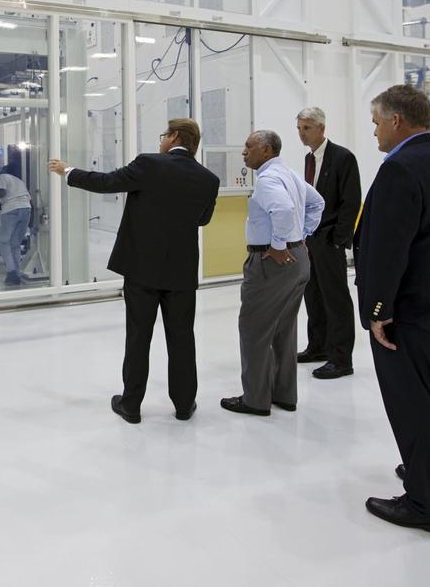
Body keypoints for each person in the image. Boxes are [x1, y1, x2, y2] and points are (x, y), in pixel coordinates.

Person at [356, 84, 430, 536]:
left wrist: (378, 309)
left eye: (375, 122)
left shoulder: (400, 168)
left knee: (414, 404)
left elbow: (388, 249)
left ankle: (426, 503)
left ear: (396, 121)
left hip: (411, 312)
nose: (374, 131)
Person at [48, 118, 219, 424]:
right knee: (182, 338)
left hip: (141, 269)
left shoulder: (149, 164)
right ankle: (183, 404)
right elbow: (203, 220)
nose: (160, 141)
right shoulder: (208, 179)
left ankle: (131, 406)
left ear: (175, 136)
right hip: (181, 272)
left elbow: (107, 183)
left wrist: (68, 172)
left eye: (163, 135)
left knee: (139, 336)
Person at [221, 130, 323, 417]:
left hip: (272, 263)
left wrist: (279, 245)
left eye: (249, 147)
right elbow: (317, 203)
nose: (244, 152)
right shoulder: (290, 174)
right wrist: (301, 235)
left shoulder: (267, 179)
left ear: (266, 150)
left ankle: (255, 399)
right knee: (283, 330)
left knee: (253, 329)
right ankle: (284, 394)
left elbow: (283, 209)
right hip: (298, 260)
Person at [294, 107, 361, 379]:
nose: (301, 133)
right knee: (313, 295)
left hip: (329, 239)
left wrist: (337, 239)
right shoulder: (309, 159)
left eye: (306, 128)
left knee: (335, 299)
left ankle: (341, 358)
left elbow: (351, 201)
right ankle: (318, 346)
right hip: (311, 239)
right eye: (299, 128)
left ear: (321, 128)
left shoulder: (343, 158)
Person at [0, 162, 32, 286]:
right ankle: (17, 273)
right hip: (26, 209)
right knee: (15, 243)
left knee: (4, 242)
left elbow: (2, 193)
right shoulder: (20, 181)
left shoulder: (3, 176)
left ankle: (11, 273)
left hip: (11, 209)